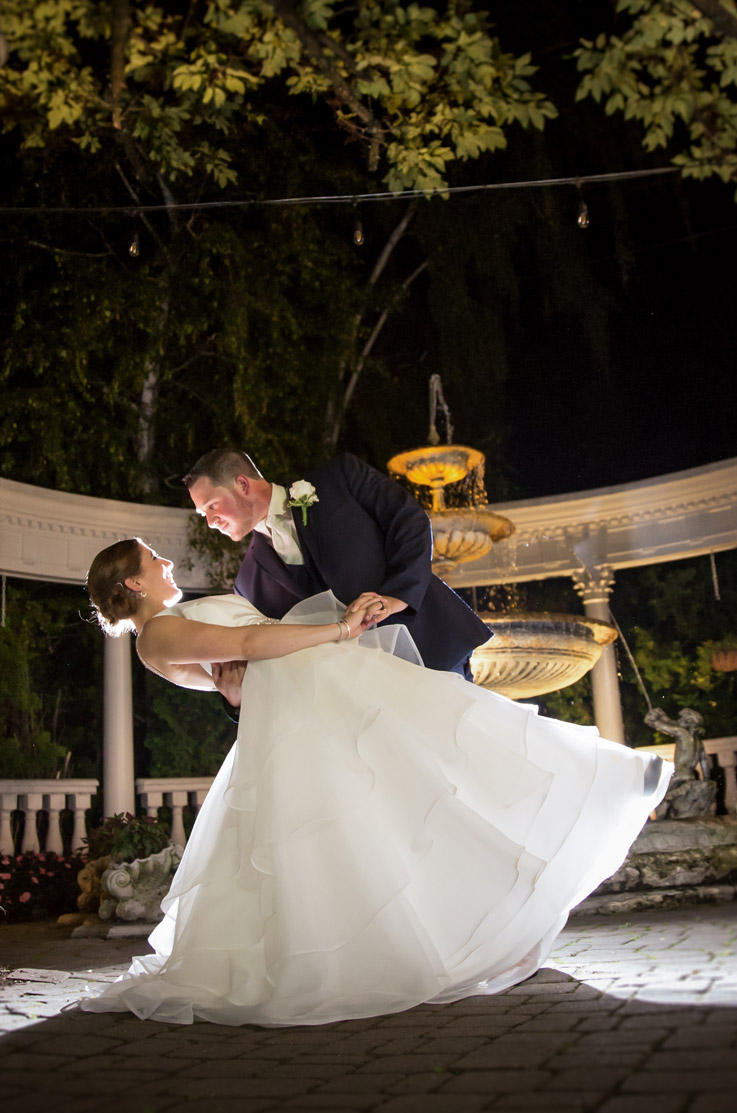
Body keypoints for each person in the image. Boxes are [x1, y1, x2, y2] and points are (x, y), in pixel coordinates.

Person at [80, 537, 671, 1027]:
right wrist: (339, 631)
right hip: (316, 699)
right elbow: (249, 645)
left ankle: (600, 782)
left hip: (322, 689)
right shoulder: (157, 634)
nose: (164, 561)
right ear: (132, 583)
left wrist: (259, 674)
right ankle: (596, 791)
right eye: (152, 558)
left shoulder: (174, 622)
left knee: (449, 747)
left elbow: (235, 680)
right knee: (437, 761)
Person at [182, 449, 491, 703]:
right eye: (203, 514)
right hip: (361, 701)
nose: (210, 521)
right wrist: (237, 701)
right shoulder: (247, 582)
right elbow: (272, 654)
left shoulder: (339, 477)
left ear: (242, 484)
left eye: (212, 505)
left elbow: (408, 521)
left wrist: (397, 596)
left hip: (431, 648)